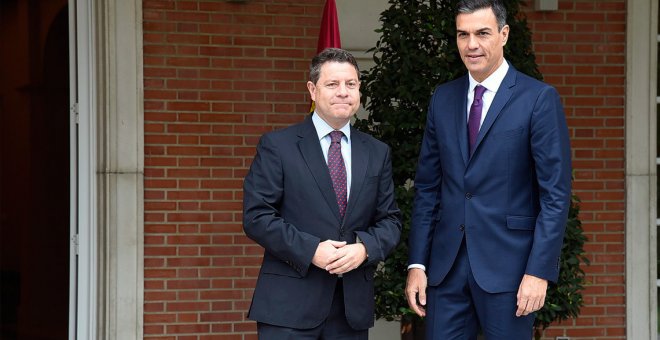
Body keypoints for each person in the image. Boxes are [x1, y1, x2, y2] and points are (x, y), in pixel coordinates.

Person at [405, 0, 572, 339]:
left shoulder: (538, 99)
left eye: (482, 33)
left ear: (504, 34)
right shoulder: (443, 98)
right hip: (446, 271)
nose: (471, 45)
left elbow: (555, 195)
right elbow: (427, 188)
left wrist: (538, 271)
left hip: (510, 272)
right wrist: (417, 264)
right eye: (462, 34)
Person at [243, 47, 401, 340]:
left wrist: (364, 249)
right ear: (312, 90)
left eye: (351, 84)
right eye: (333, 84)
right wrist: (311, 249)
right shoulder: (279, 146)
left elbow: (390, 221)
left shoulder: (377, 153)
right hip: (288, 308)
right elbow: (257, 216)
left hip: (350, 311)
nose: (343, 92)